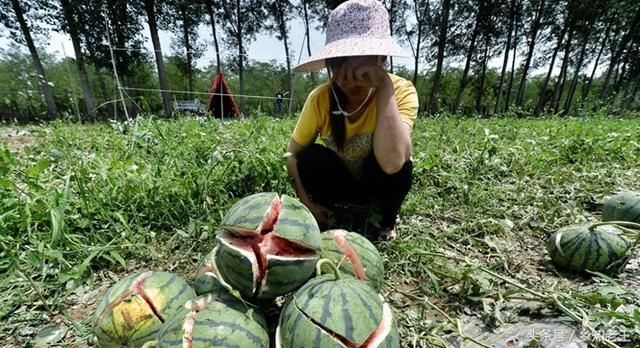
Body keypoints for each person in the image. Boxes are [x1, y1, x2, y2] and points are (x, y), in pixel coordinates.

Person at [285, 0, 418, 241]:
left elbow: (392, 163)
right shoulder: (320, 99)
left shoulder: (401, 90)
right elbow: (292, 156)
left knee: (401, 162)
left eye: (361, 61)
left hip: (379, 181)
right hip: (342, 184)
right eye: (341, 61)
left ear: (381, 59)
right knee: (310, 157)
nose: (350, 75)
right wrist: (308, 205)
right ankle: (334, 210)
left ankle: (387, 219)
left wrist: (384, 86)